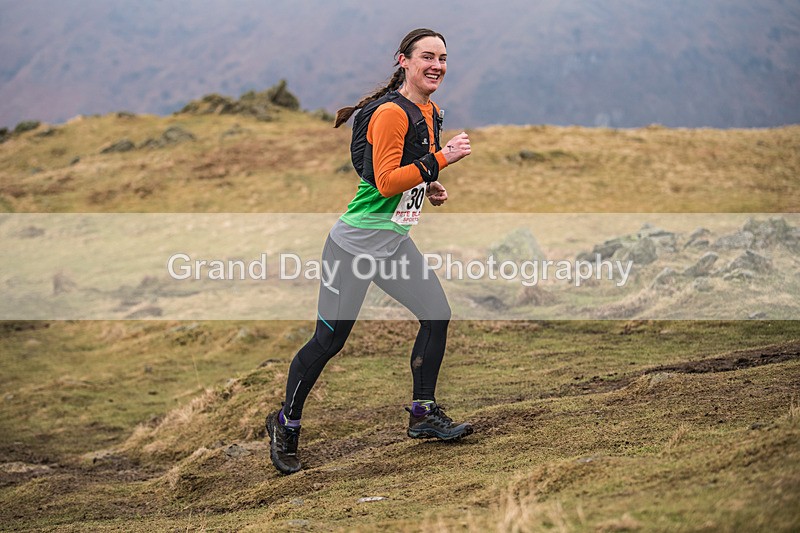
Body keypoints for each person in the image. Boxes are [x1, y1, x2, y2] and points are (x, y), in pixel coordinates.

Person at [267, 28, 473, 475]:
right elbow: (383, 182)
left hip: (393, 243)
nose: (437, 65)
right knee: (329, 341)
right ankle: (285, 424)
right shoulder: (391, 113)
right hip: (354, 247)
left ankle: (423, 413)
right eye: (427, 57)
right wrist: (442, 160)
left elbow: (404, 171)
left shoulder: (430, 111)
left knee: (436, 315)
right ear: (404, 61)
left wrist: (429, 184)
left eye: (442, 58)